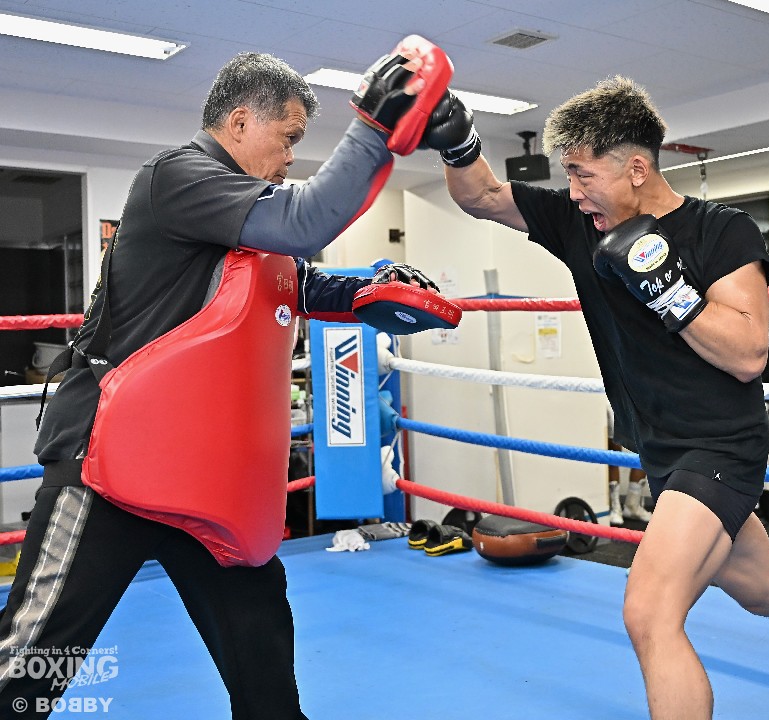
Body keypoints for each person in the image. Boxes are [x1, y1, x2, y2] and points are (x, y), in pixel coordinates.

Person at [423, 76, 769, 720]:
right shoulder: (577, 222)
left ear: (636, 168)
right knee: (765, 590)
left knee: (650, 613)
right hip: (663, 454)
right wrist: (454, 138)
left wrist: (669, 291)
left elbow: (749, 351)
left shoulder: (720, 231)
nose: (574, 190)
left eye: (584, 174)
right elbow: (481, 196)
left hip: (719, 448)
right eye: (568, 175)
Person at [2, 44, 451, 718]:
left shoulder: (248, 223)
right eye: (288, 137)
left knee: (262, 659)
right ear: (240, 122)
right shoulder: (178, 177)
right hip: (109, 465)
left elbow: (298, 281)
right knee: (32, 668)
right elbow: (307, 220)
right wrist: (374, 129)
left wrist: (370, 293)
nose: (292, 155)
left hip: (203, 482)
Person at [606, 401, 651, 525]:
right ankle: (616, 507)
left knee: (645, 448)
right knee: (614, 452)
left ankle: (632, 506)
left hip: (639, 399)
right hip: (613, 398)